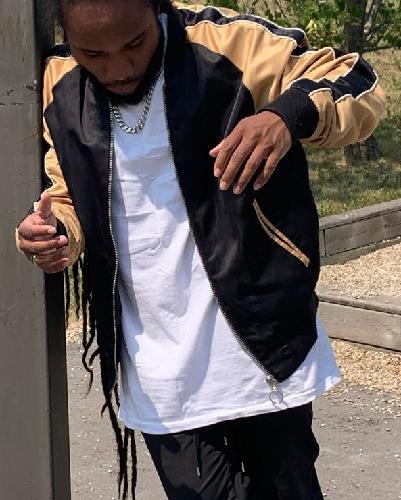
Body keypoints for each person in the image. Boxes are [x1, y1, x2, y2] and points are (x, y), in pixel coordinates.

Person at [16, 0, 384, 498]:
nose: (118, 68)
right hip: (158, 363)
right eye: (94, 54)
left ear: (157, 9)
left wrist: (285, 116)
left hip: (265, 343)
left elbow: (357, 81)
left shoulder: (229, 45)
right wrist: (55, 232)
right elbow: (68, 194)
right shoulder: (60, 83)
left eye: (134, 44)